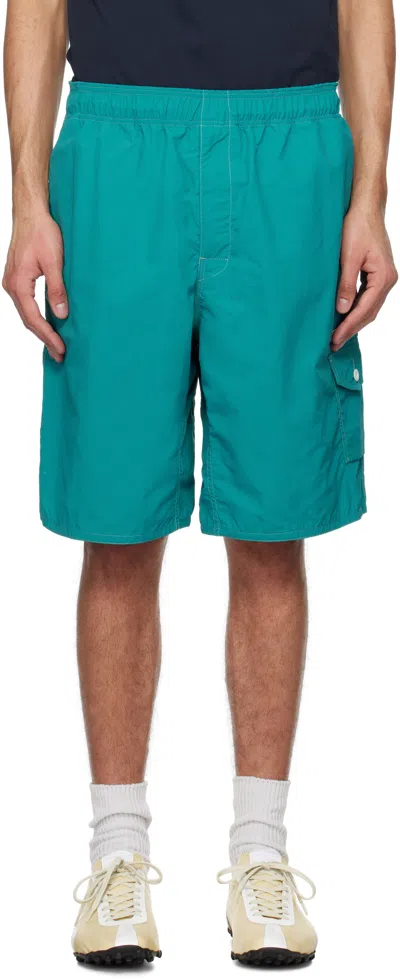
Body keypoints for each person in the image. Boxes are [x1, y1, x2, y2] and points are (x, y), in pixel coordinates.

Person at [3, 0, 397, 968]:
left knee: (271, 518)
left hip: (290, 137)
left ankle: (260, 852)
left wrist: (369, 197)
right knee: (116, 521)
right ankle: (117, 855)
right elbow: (37, 5)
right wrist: (27, 201)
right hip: (117, 137)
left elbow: (364, 4)